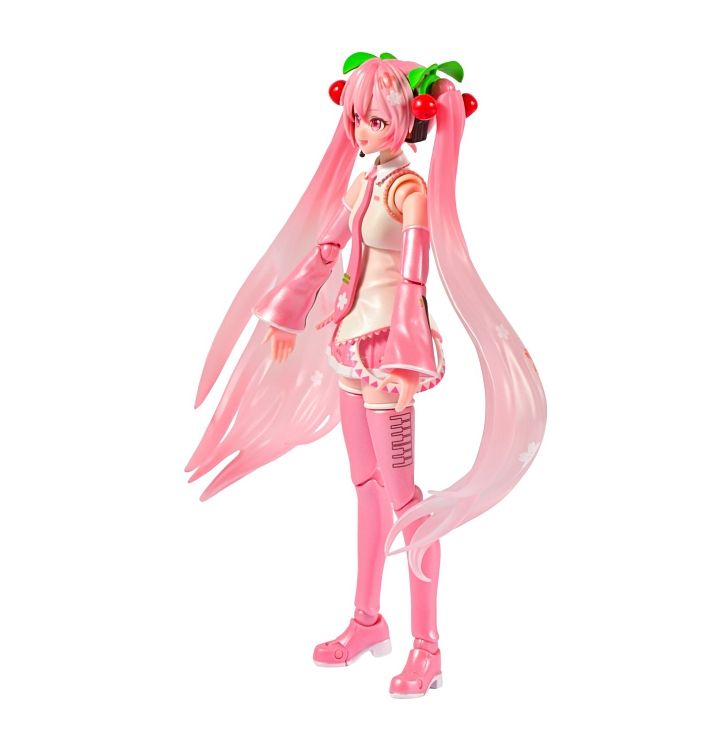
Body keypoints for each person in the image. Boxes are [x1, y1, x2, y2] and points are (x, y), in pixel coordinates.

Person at [187, 53, 547, 699]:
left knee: (408, 502)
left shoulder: (410, 191)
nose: (360, 131)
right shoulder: (363, 183)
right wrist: (287, 314)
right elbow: (327, 250)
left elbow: (413, 279)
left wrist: (406, 358)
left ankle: (427, 647)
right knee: (365, 486)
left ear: (408, 120)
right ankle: (366, 619)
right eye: (355, 118)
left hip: (388, 353)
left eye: (375, 120)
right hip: (349, 345)